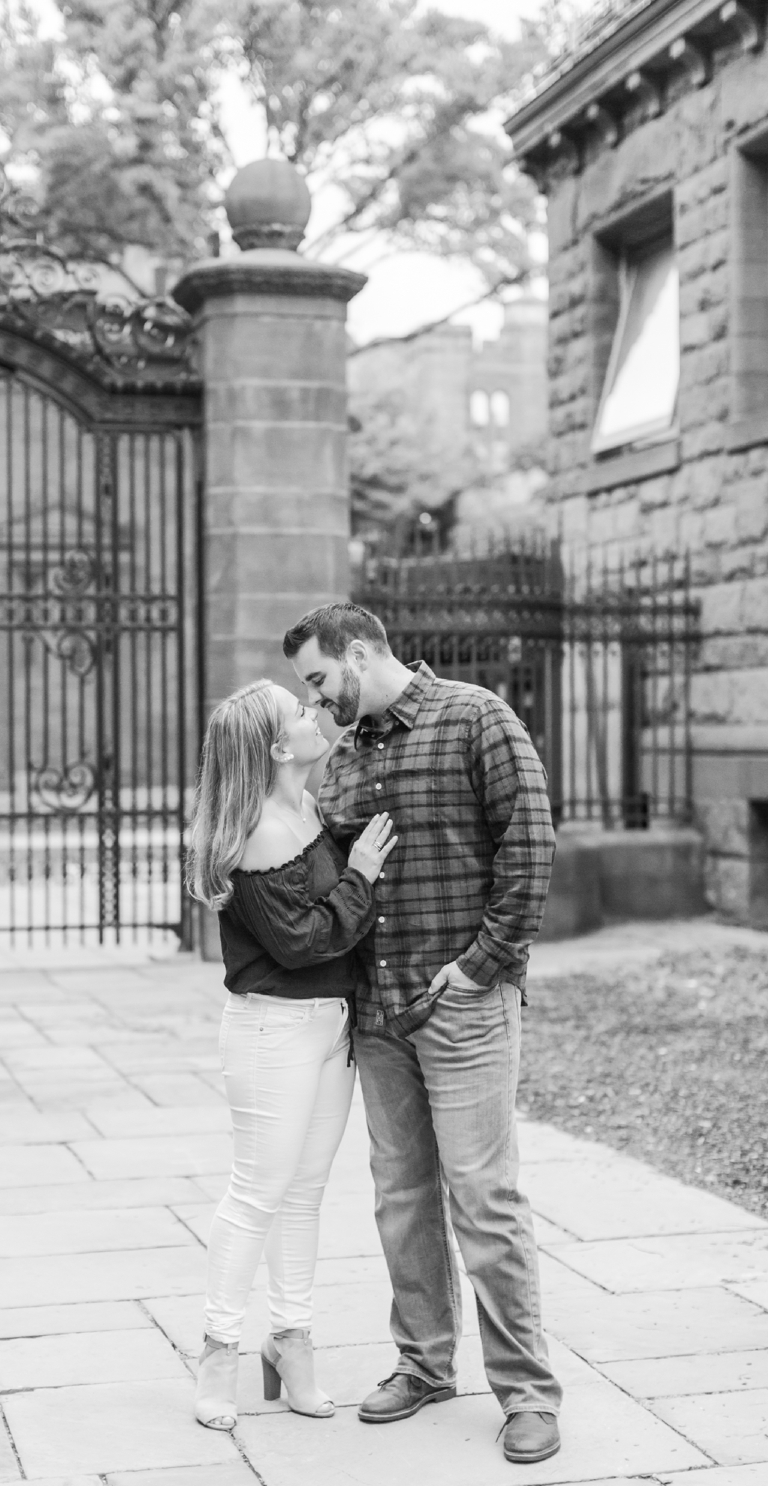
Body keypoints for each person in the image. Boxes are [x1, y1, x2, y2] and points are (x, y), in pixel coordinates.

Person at [282, 602, 563, 1465]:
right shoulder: (344, 752)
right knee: (401, 1199)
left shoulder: (476, 715)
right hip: (376, 1011)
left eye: (321, 680)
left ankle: (527, 1393)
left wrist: (484, 963)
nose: (319, 701)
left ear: (360, 653)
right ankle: (425, 1364)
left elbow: (532, 841)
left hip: (464, 1005)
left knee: (484, 1201)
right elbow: (319, 871)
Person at [186, 677, 396, 1433]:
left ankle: (292, 1341)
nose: (317, 714)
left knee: (303, 1194)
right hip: (272, 1030)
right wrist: (363, 876)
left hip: (327, 1025)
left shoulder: (304, 806)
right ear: (278, 748)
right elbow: (305, 942)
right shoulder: (259, 834)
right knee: (256, 1195)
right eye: (301, 711)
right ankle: (218, 1351)